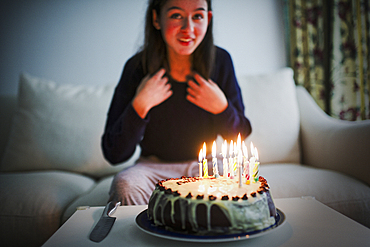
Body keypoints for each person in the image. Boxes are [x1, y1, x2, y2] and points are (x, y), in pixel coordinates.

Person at [102, 0, 252, 205]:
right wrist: (140, 105)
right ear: (156, 19)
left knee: (241, 178)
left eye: (197, 16)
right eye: (176, 16)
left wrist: (221, 108)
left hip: (206, 166)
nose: (188, 29)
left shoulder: (221, 61)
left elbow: (240, 134)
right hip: (152, 168)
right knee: (125, 185)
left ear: (208, 19)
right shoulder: (137, 67)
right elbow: (114, 153)